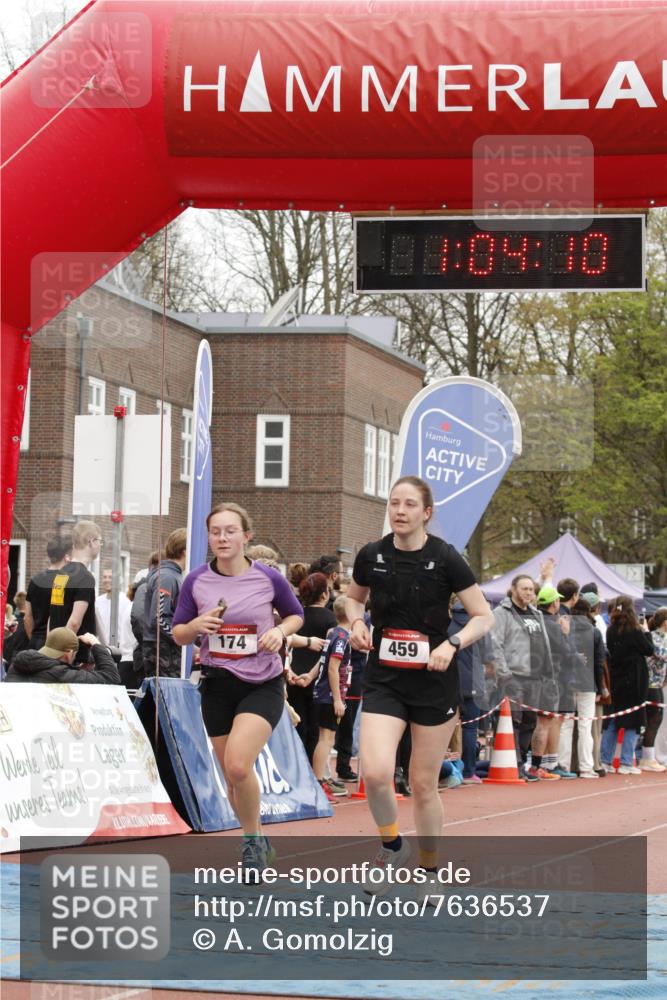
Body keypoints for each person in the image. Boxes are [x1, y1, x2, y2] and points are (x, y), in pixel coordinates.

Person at [346, 475, 493, 893]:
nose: (400, 511)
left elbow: (484, 616)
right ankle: (392, 845)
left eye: (409, 505)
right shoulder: (371, 554)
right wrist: (357, 621)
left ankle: (429, 871)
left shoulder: (446, 558)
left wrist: (452, 643)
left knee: (424, 782)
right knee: (375, 774)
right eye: (394, 503)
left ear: (426, 513)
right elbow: (353, 597)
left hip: (433, 680)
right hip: (385, 678)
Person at [172, 502, 303, 875]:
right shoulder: (196, 581)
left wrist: (279, 631)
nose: (222, 538)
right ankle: (257, 839)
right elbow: (179, 634)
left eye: (230, 531)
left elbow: (296, 615)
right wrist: (197, 624)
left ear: (246, 537)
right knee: (234, 776)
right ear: (208, 537)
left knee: (238, 765)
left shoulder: (268, 578)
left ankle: (251, 846)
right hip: (217, 684)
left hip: (262, 682)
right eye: (216, 531)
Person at [491, 576, 560, 781]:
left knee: (530, 722)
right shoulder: (502, 613)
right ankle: (516, 764)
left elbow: (544, 645)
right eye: (524, 589)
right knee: (514, 721)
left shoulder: (536, 613)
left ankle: (522, 763)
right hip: (514, 675)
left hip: (536, 677)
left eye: (531, 589)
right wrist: (504, 674)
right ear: (513, 589)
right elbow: (496, 645)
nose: (529, 593)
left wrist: (548, 673)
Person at [286, 573, 337, 762]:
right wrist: (314, 673)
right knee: (315, 728)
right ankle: (309, 769)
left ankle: (296, 765)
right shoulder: (330, 619)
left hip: (294, 675)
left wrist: (290, 671)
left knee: (298, 724)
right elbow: (330, 650)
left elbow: (287, 644)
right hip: (317, 678)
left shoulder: (296, 617)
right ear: (324, 595)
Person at [600, 597, 652, 774]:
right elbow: (649, 649)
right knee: (634, 722)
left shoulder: (611, 630)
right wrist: (646, 631)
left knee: (614, 720)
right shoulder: (635, 630)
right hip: (635, 681)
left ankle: (605, 760)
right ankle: (626, 762)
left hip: (617, 679)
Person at [312, 596, 352, 802]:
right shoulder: (342, 637)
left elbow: (322, 661)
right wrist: (338, 699)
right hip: (329, 695)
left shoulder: (333, 633)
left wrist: (309, 677)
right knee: (326, 739)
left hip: (325, 692)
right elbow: (332, 668)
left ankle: (319, 782)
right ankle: (318, 784)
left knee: (326, 738)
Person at [47, 520, 101, 663]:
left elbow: (52, 616)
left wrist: (51, 649)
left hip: (55, 652)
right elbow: (75, 622)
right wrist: (67, 653)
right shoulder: (85, 577)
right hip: (76, 656)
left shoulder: (60, 574)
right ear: (92, 541)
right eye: (100, 541)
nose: (101, 545)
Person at [5, 627, 121, 684]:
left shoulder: (16, 665)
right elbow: (111, 678)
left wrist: (77, 670)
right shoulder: (60, 673)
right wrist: (96, 644)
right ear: (69, 653)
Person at [143, 529, 187, 678]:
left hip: (163, 648)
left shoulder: (172, 575)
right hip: (162, 650)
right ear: (185, 551)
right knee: (166, 698)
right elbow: (160, 617)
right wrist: (181, 638)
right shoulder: (168, 577)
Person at [24, 535, 73, 650]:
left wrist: (34, 638)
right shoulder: (67, 581)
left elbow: (27, 617)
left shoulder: (35, 580)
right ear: (67, 557)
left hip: (36, 642)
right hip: (58, 644)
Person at [641, 608, 667, 771]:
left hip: (658, 684)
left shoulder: (662, 637)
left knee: (655, 721)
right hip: (651, 684)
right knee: (653, 721)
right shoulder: (655, 637)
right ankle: (647, 759)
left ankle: (649, 757)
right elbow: (661, 654)